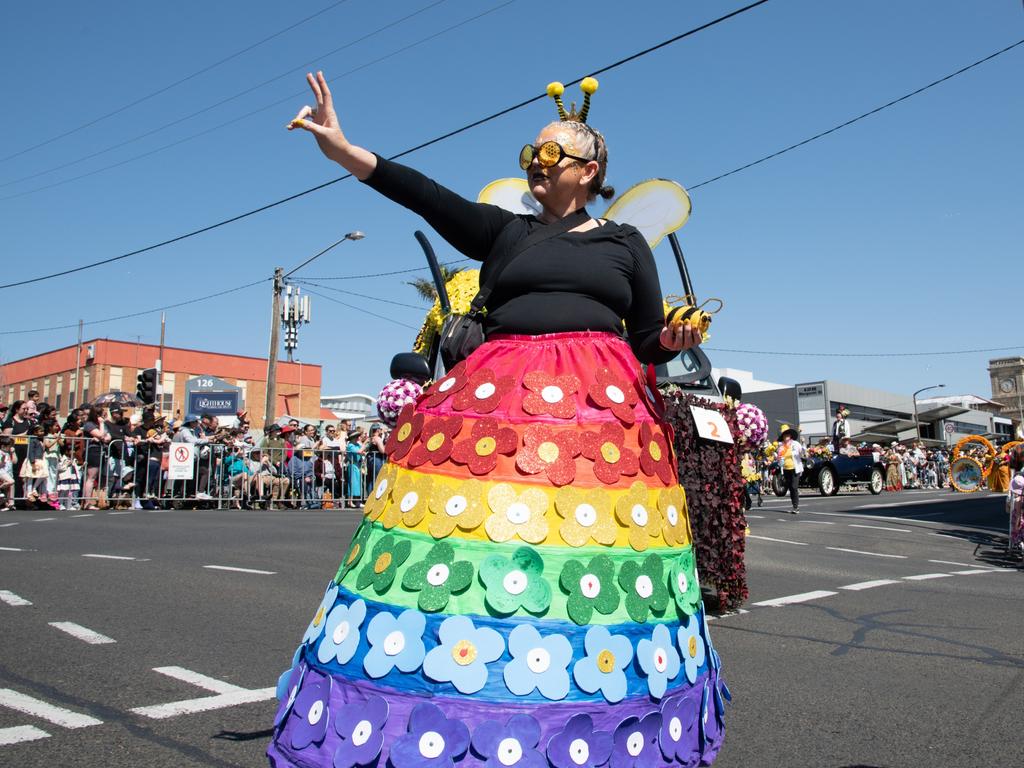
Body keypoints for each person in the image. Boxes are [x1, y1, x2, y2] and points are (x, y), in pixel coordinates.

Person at [268, 72, 718, 767]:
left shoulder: (627, 243)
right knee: (484, 550)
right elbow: (425, 194)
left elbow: (646, 337)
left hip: (598, 417)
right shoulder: (506, 233)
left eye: (549, 156)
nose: (535, 166)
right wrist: (348, 152)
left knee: (587, 558)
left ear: (588, 169)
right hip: (496, 410)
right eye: (529, 156)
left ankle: (587, 706)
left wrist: (677, 339)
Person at [777, 424, 806, 514]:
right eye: (785, 435)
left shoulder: (795, 444)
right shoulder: (781, 446)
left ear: (790, 436)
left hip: (795, 468)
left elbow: (802, 453)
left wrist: (803, 443)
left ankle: (796, 506)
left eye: (788, 434)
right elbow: (779, 458)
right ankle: (794, 505)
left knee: (794, 487)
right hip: (786, 469)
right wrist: (779, 461)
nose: (786, 436)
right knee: (790, 487)